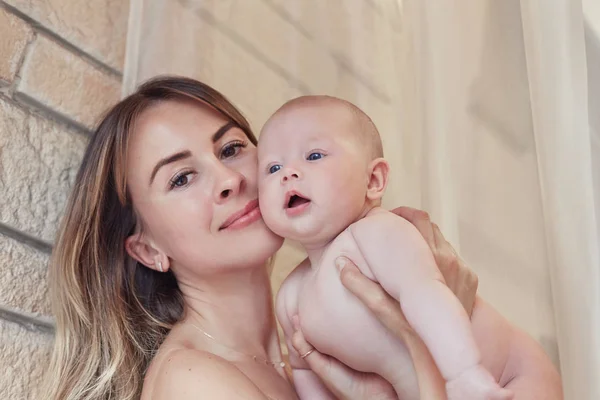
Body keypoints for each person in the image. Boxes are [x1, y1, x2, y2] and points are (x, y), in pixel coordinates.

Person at [42, 76, 561, 400]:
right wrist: (421, 356)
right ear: (149, 249)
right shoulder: (195, 383)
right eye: (181, 178)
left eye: (231, 149)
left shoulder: (311, 342)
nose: (230, 180)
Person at [257, 95, 513, 399]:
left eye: (313, 156)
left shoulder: (376, 233)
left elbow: (425, 291)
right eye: (273, 168)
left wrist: (464, 374)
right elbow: (304, 370)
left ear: (374, 180)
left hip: (510, 375)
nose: (289, 173)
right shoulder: (290, 295)